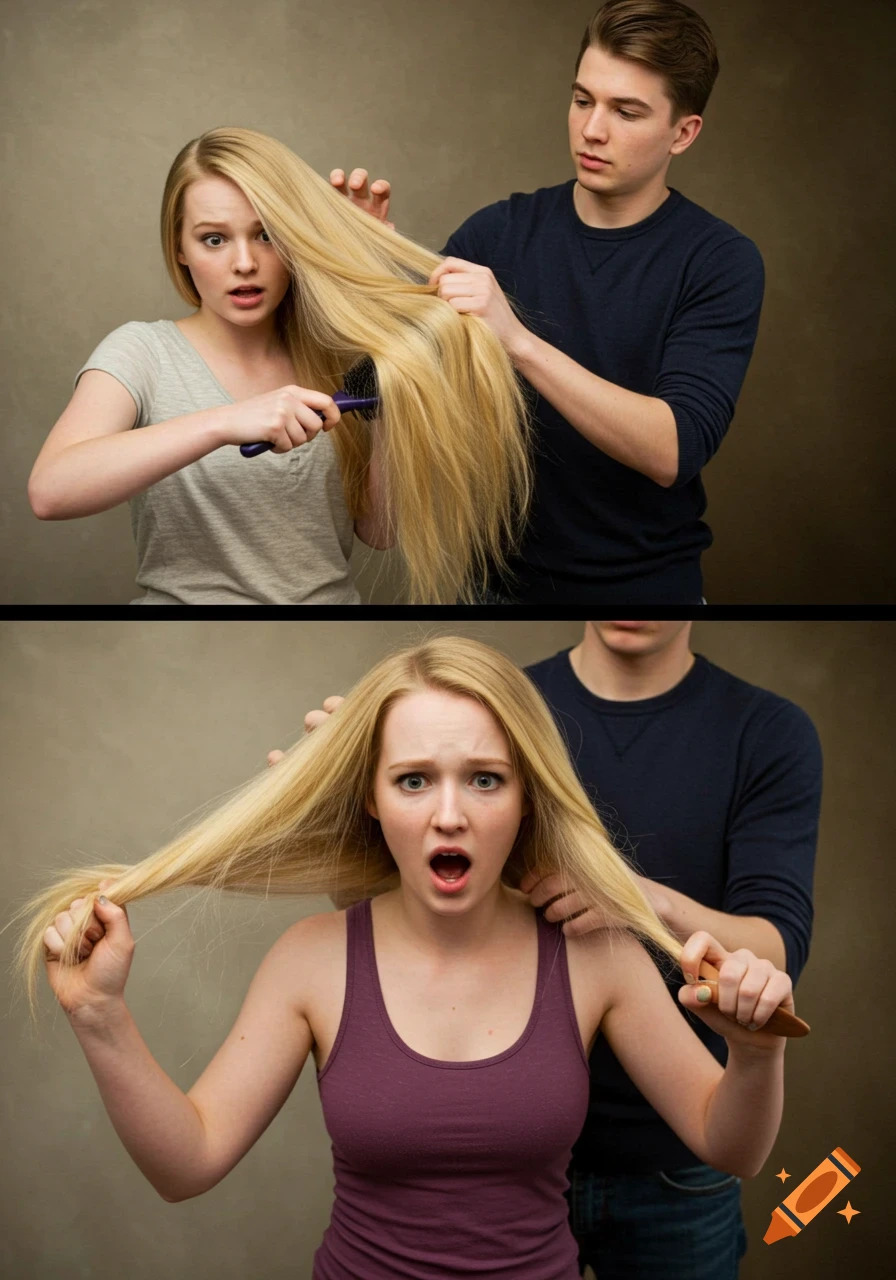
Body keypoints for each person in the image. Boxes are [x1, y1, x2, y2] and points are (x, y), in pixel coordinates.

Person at [17, 637, 798, 1280]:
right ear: (371, 797)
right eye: (414, 780)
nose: (448, 816)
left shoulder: (598, 957)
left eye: (485, 780)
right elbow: (186, 1164)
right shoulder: (311, 962)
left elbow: (732, 1147)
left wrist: (756, 1055)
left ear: (527, 794)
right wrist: (98, 1016)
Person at [297, 622, 821, 1278]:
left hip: (674, 1168)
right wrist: (347, 797)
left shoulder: (765, 731)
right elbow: (383, 900)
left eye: (486, 781)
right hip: (513, 1157)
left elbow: (776, 947)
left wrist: (638, 899)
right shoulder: (494, 706)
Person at [332, 0, 765, 603]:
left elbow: (675, 448)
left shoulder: (720, 261)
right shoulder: (494, 236)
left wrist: (518, 342)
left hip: (648, 593)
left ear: (683, 133)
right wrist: (369, 282)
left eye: (627, 111)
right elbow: (387, 486)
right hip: (496, 592)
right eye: (583, 99)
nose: (592, 129)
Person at [28, 128, 531, 605]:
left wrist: (356, 277)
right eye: (213, 239)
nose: (244, 262)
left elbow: (380, 531)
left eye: (266, 234)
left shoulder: (339, 358)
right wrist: (224, 422)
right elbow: (51, 491)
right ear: (178, 247)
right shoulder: (142, 352)